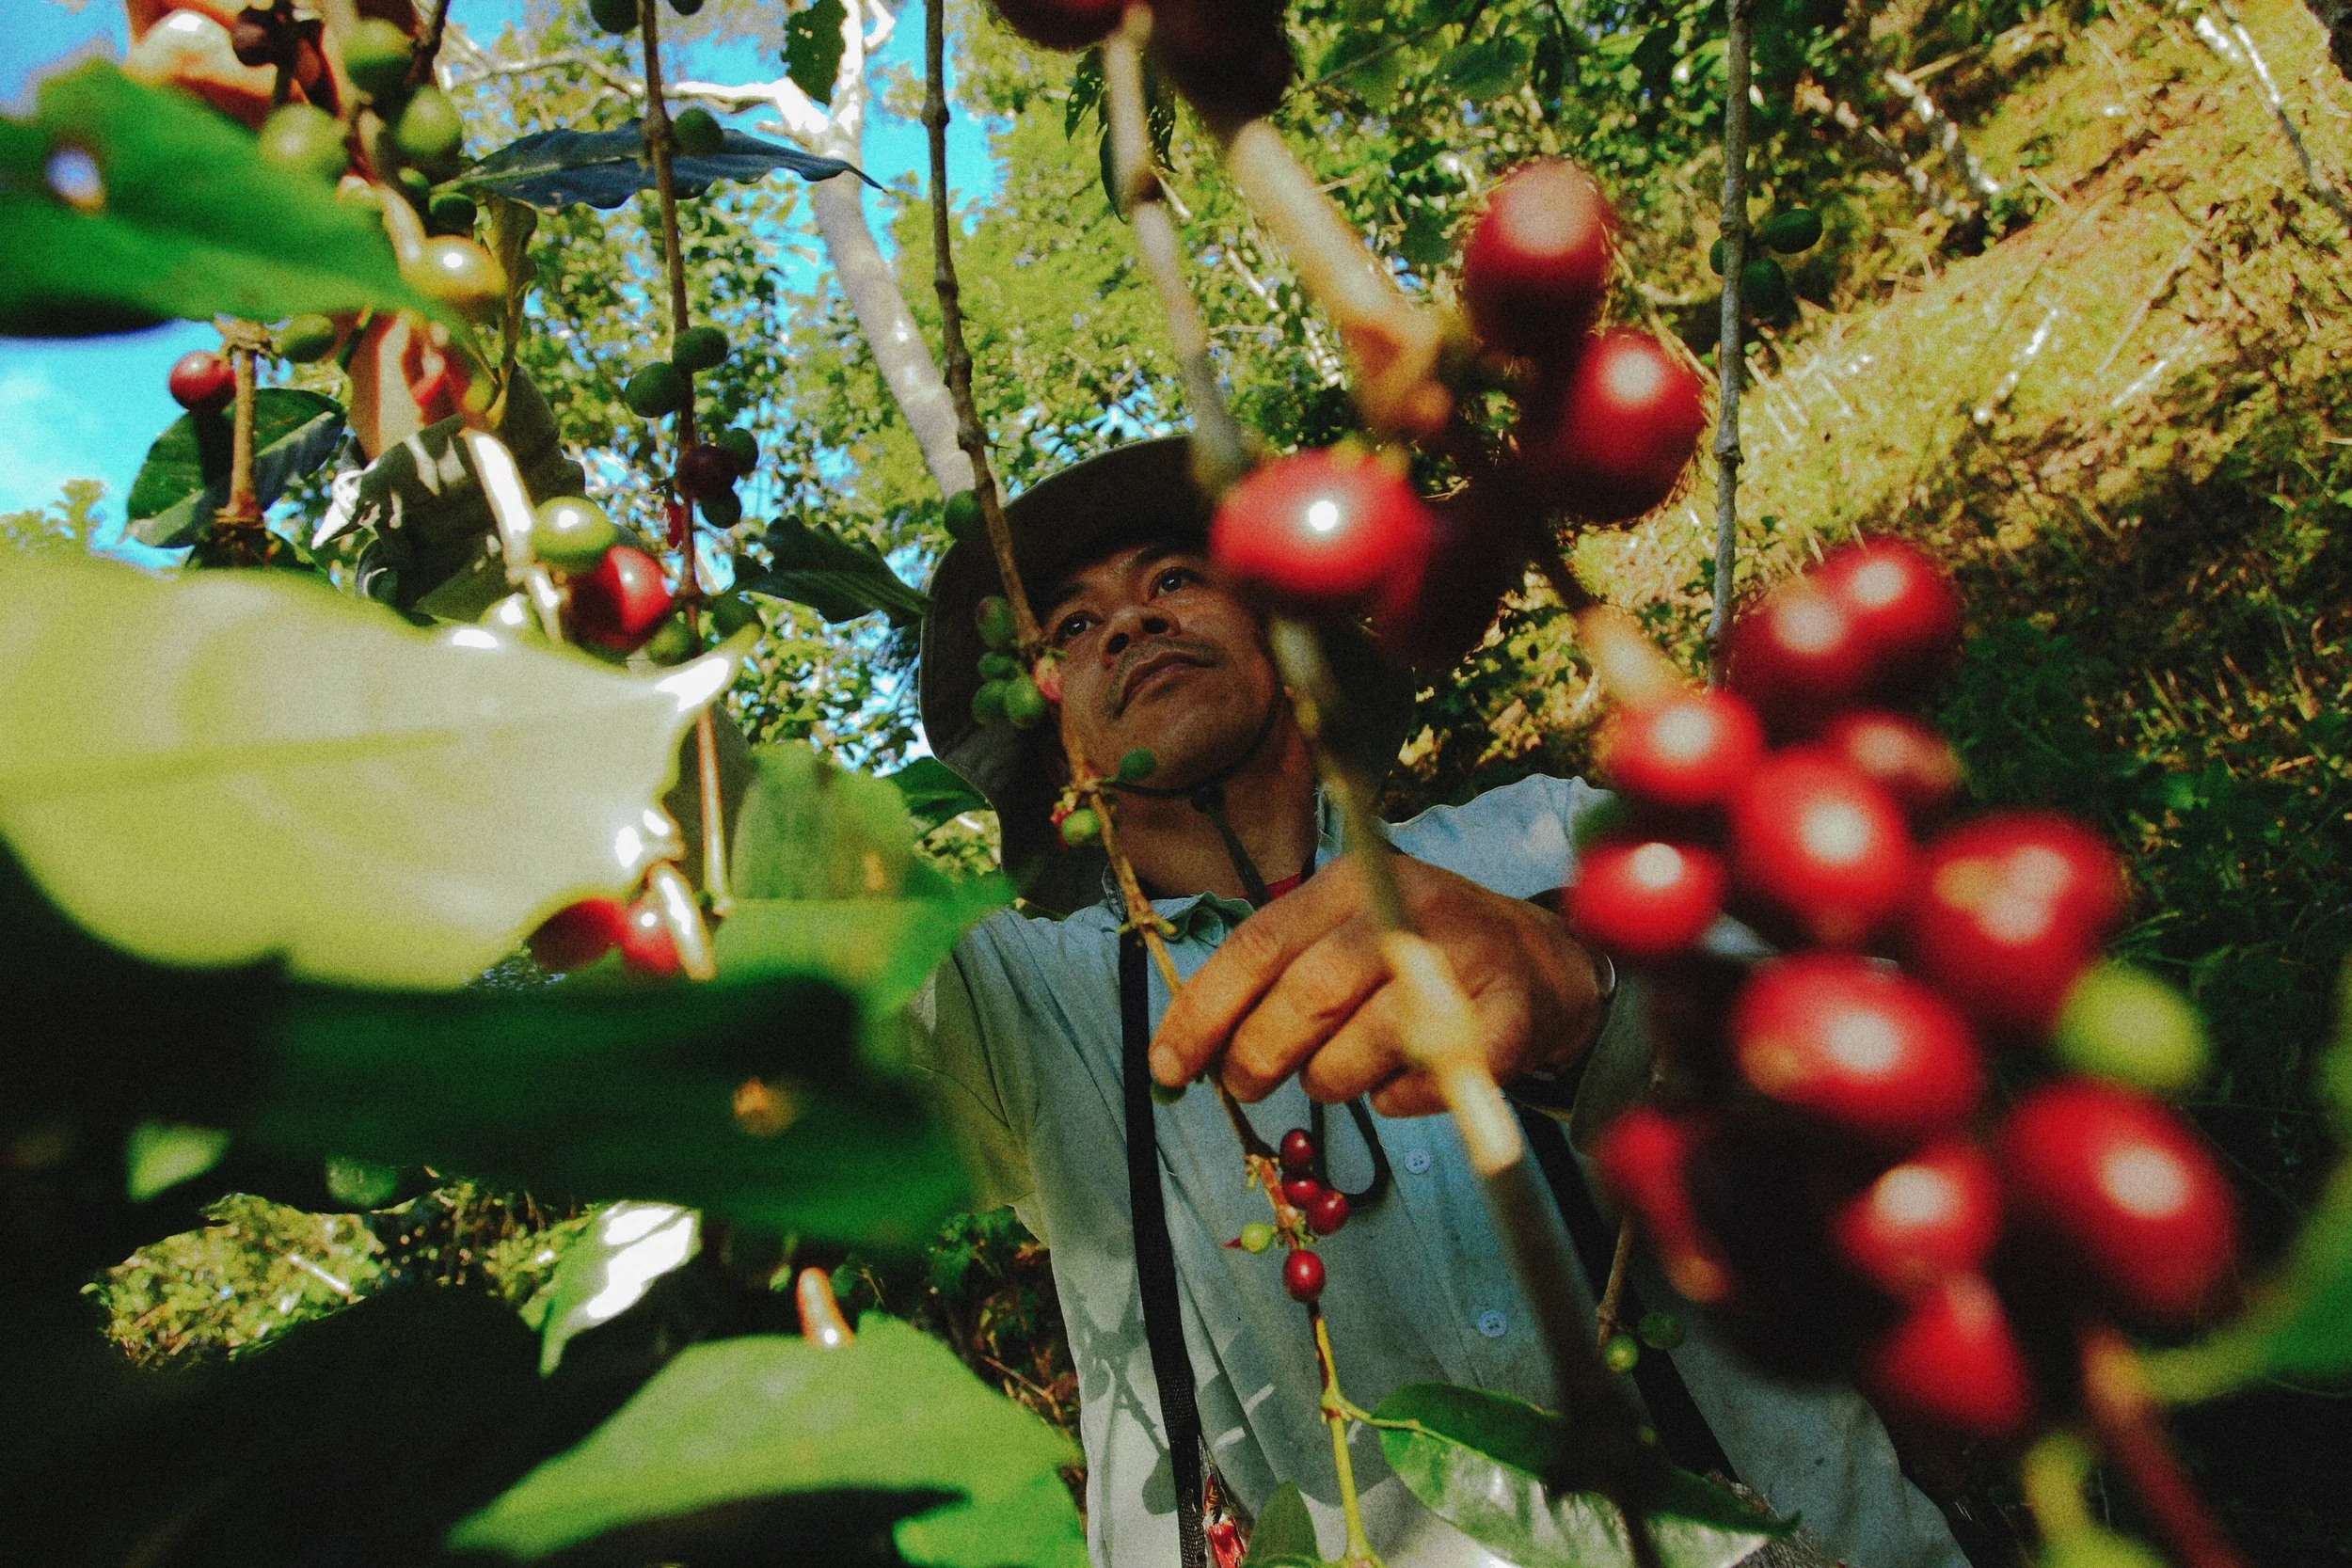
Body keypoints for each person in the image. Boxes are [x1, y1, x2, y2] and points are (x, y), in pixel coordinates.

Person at [907, 438, 1968, 1568]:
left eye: (1173, 578)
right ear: (1049, 733)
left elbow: (1881, 1041)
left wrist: (1595, 993)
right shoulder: (1025, 1001)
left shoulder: (1541, 836)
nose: (1128, 624)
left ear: (1279, 627)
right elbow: (761, 946)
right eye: (1070, 625)